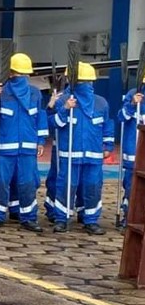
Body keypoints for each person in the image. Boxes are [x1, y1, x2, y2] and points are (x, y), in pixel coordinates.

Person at [46, 62, 114, 234]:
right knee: (66, 186)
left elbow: (107, 125)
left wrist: (108, 145)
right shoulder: (63, 100)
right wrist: (64, 109)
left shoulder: (100, 103)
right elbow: (53, 124)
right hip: (70, 153)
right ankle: (61, 219)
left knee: (93, 186)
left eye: (88, 82)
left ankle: (91, 220)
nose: (87, 85)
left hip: (93, 154)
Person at [0, 53, 48, 230]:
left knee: (28, 183)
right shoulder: (0, 91)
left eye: (25, 74)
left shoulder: (35, 93)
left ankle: (29, 217)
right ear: (9, 73)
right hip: (4, 148)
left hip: (27, 148)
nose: (22, 78)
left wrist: (40, 140)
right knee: (0, 183)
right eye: (19, 74)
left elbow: (39, 117)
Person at [119, 78, 143, 229]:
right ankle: (128, 217)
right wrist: (132, 104)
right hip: (134, 152)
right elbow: (121, 117)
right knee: (132, 187)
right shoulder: (133, 95)